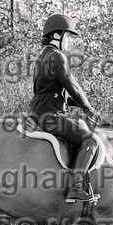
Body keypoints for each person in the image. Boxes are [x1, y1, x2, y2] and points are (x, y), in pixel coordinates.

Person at [28, 14, 101, 203]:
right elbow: (71, 84)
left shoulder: (41, 58)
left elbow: (52, 93)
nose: (68, 42)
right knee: (90, 141)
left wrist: (77, 104)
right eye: (67, 36)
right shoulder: (57, 56)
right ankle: (75, 187)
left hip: (37, 113)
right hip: (50, 116)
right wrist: (88, 108)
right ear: (56, 35)